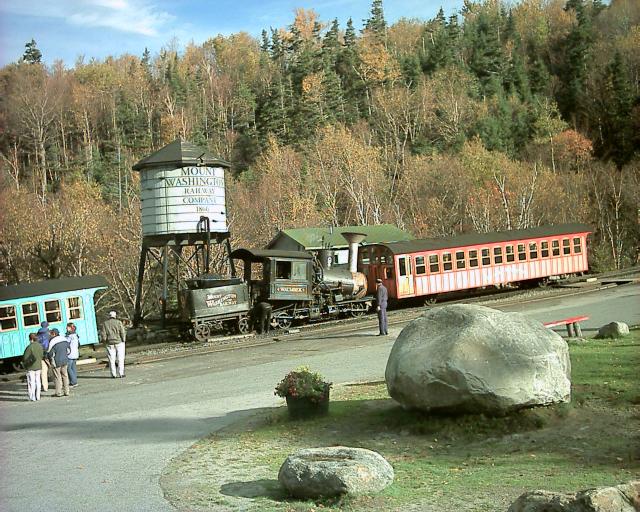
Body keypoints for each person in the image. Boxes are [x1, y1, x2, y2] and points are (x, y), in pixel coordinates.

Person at [100, 311, 126, 378]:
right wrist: (123, 340)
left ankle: (113, 374)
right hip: (119, 342)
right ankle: (121, 373)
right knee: (120, 358)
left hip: (110, 343)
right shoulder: (118, 322)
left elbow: (103, 334)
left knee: (111, 359)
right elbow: (122, 332)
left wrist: (105, 341)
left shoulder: (105, 324)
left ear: (109, 316)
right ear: (115, 316)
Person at [47, 328, 70, 397]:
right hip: (65, 360)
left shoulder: (52, 341)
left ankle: (58, 392)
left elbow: (50, 353)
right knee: (65, 375)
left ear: (53, 334)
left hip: (56, 361)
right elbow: (69, 350)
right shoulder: (64, 339)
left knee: (57, 377)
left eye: (51, 334)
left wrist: (50, 360)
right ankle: (67, 391)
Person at [22, 333, 44, 401]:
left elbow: (25, 358)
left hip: (30, 367)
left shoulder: (29, 347)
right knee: (38, 381)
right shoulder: (40, 346)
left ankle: (32, 397)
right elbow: (42, 355)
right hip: (38, 366)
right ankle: (38, 396)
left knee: (31, 382)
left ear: (30, 339)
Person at [36, 321, 51, 391]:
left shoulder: (38, 334)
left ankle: (45, 387)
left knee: (43, 371)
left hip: (41, 354)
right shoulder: (49, 333)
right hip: (48, 353)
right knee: (55, 369)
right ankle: (57, 384)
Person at [66, 323, 80, 387]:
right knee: (73, 368)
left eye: (67, 327)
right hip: (75, 353)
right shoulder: (75, 335)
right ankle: (75, 381)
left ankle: (73, 381)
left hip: (70, 354)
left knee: (68, 368)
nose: (66, 328)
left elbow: (66, 344)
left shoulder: (70, 336)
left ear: (70, 328)